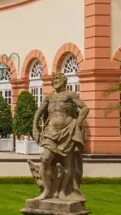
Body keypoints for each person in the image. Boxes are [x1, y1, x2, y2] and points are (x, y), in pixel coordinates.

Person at [31, 72, 89, 200]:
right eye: (54, 79)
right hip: (51, 132)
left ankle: (63, 191)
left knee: (67, 163)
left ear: (64, 81)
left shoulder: (70, 95)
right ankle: (46, 191)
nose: (55, 81)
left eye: (58, 78)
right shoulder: (49, 97)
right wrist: (34, 126)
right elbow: (39, 112)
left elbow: (85, 108)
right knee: (45, 159)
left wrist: (78, 122)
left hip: (67, 131)